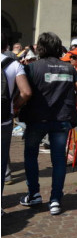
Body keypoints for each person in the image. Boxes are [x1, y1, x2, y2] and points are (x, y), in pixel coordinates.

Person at [19, 32, 77, 216]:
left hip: (38, 119)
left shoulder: (32, 68)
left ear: (39, 48)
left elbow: (24, 92)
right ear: (58, 48)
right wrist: (69, 105)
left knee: (31, 155)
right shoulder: (69, 68)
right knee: (58, 161)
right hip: (62, 120)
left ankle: (34, 194)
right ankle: (55, 199)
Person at [1, 33, 31, 207]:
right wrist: (14, 106)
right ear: (6, 47)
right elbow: (26, 92)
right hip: (3, 118)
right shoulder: (13, 64)